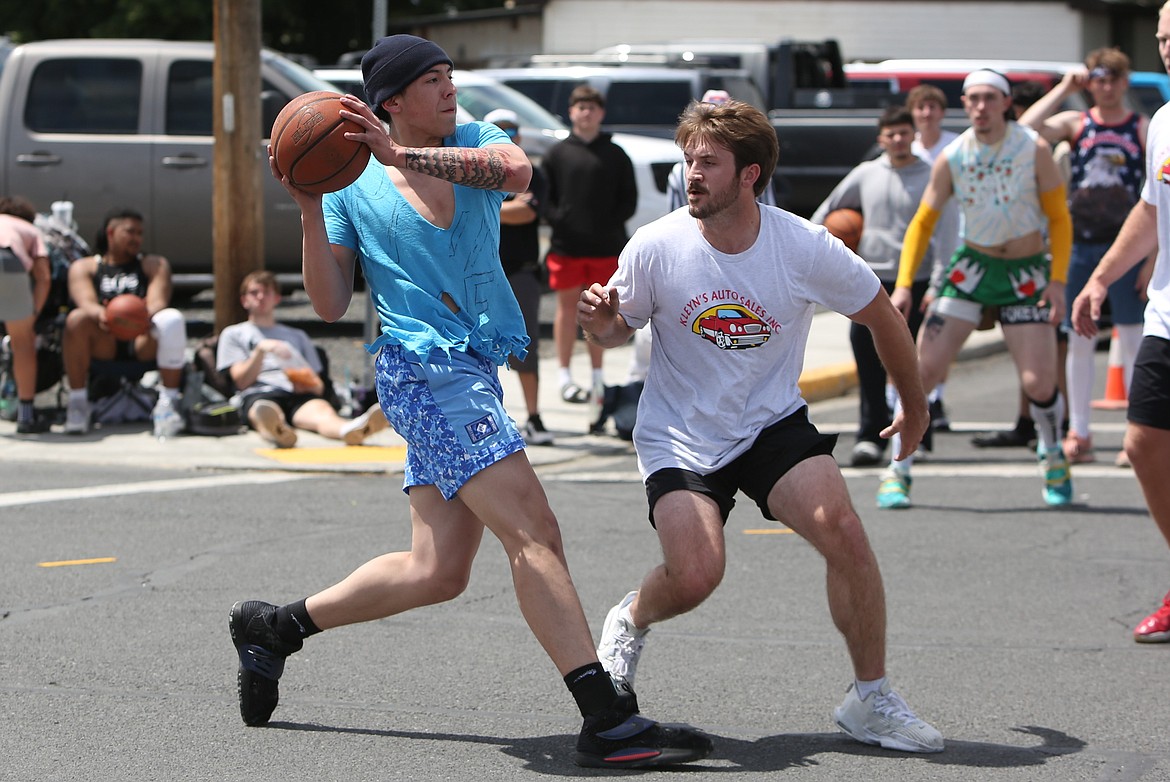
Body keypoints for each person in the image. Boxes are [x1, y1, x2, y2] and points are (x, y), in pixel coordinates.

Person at [232, 35, 710, 769]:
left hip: (474, 365)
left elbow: (515, 172)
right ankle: (606, 717)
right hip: (422, 370)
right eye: (432, 80)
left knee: (438, 572)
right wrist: (306, 205)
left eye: (451, 74)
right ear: (390, 100)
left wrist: (402, 155)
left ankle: (275, 629)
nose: (450, 88)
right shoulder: (348, 181)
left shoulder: (475, 140)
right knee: (534, 530)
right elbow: (329, 304)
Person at [578, 98, 944, 754]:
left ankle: (871, 698)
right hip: (680, 433)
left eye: (709, 163)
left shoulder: (800, 245)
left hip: (769, 421)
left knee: (846, 533)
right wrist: (597, 317)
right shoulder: (656, 247)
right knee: (696, 574)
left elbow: (884, 316)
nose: (692, 173)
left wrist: (915, 407)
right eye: (689, 160)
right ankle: (629, 620)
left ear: (750, 175)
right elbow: (612, 330)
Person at [881, 68, 1074, 509]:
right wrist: (906, 284)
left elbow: (1060, 219)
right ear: (963, 105)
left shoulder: (1034, 148)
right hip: (971, 267)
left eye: (989, 97)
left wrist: (1058, 282)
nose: (980, 106)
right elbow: (924, 221)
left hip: (1025, 270)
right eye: (971, 99)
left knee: (1039, 382)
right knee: (921, 372)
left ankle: (1051, 449)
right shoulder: (955, 155)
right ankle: (898, 468)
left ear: (1006, 102)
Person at [1071, 1, 1170, 643]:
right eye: (1163, 36)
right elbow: (1151, 209)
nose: (1168, 46)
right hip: (1168, 315)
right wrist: (1102, 277)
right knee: (1143, 446)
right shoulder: (1163, 122)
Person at [1020, 48, 1154, 467]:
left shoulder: (1143, 127)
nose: (1107, 86)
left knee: (1133, 338)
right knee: (1079, 338)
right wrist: (1064, 88)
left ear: (1124, 82)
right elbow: (1025, 128)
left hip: (1129, 245)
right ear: (1090, 82)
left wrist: (1152, 255)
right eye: (1099, 78)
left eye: (1114, 78)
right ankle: (1080, 430)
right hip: (1080, 245)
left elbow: (1156, 196)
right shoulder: (1079, 123)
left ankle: (1136, 432)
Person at [812, 106, 936, 468]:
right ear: (881, 139)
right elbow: (825, 215)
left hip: (918, 279)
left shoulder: (932, 175)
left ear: (913, 134)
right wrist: (818, 250)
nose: (898, 139)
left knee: (913, 363)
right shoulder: (866, 173)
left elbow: (946, 229)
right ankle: (870, 434)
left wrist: (940, 281)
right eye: (890, 134)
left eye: (904, 132)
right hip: (871, 279)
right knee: (867, 357)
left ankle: (919, 431)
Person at [542, 84, 637, 411]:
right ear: (571, 112)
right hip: (566, 246)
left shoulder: (615, 153)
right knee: (567, 309)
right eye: (581, 107)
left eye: (592, 107)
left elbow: (629, 200)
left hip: (605, 248)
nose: (586, 112)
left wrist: (608, 223)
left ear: (601, 113)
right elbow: (545, 198)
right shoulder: (557, 153)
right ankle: (564, 374)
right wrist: (560, 219)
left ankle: (598, 375)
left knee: (598, 312)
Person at [215, 270, 387, 448]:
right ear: (244, 300)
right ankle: (276, 431)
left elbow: (319, 386)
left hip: (297, 393)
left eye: (267, 292)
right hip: (259, 391)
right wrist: (260, 350)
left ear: (277, 298)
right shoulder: (233, 334)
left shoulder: (298, 336)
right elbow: (241, 382)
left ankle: (349, 430)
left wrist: (308, 384)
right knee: (263, 409)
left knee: (321, 411)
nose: (260, 297)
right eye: (254, 292)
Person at [62, 207, 187, 438]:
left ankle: (169, 404)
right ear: (110, 232)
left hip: (141, 339)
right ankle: (78, 404)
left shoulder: (152, 264)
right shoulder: (86, 266)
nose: (137, 238)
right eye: (130, 231)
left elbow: (158, 301)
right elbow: (85, 302)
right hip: (105, 338)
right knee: (76, 319)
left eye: (140, 233)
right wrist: (107, 315)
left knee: (172, 318)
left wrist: (137, 316)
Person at [484, 107, 553, 446]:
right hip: (483, 270)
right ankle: (490, 415)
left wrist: (490, 209)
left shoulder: (531, 173)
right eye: (499, 130)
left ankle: (534, 416)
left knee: (525, 346)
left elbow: (527, 212)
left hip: (521, 270)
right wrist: (505, 209)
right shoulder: (475, 173)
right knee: (481, 345)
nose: (506, 136)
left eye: (511, 131)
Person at [907, 84, 961, 431]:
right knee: (911, 332)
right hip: (915, 245)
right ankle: (911, 399)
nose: (927, 113)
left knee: (940, 327)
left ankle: (935, 396)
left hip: (953, 245)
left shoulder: (955, 147)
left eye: (933, 107)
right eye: (921, 107)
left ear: (942, 112)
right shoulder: (904, 149)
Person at [0, 196, 52, 433]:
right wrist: (33, 313)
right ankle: (26, 416)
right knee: (23, 343)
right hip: (6, 260)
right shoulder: (29, 229)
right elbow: (43, 276)